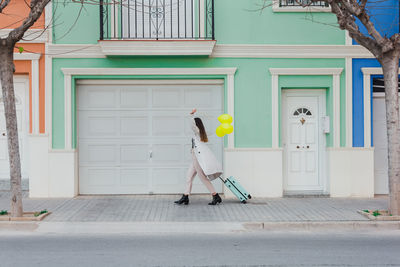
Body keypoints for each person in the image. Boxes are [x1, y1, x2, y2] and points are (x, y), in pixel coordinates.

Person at [174, 108, 223, 205]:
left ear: (197, 125)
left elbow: (192, 126)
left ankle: (215, 195)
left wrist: (191, 115)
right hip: (195, 158)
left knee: (203, 178)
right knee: (189, 177)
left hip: (198, 159)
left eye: (194, 124)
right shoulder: (198, 134)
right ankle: (185, 196)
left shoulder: (198, 132)